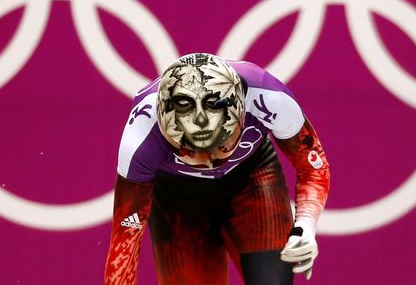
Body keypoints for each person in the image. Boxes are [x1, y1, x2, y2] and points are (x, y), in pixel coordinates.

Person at [104, 53, 329, 285]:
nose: (210, 160)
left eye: (222, 143)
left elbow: (312, 166)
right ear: (165, 126)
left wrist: (305, 224)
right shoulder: (141, 135)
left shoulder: (271, 99)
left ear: (240, 116)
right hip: (177, 199)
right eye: (190, 149)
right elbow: (125, 238)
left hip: (251, 178)